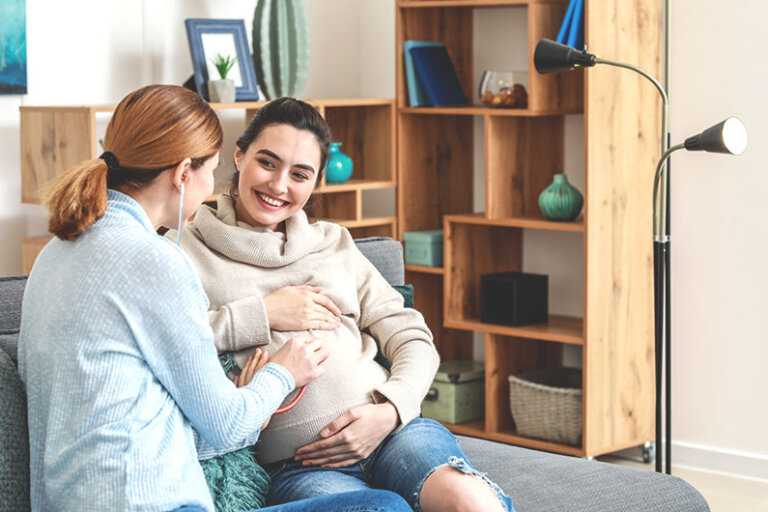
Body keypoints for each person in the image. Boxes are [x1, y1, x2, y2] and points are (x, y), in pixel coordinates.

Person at [17, 84, 413, 512]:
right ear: (183, 173)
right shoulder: (158, 260)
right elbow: (225, 427)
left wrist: (247, 404)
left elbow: (131, 422)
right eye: (212, 169)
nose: (212, 185)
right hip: (147, 503)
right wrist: (282, 373)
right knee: (382, 508)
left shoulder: (55, 252)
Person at [172, 97, 515, 512]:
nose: (279, 185)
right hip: (299, 464)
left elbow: (412, 337)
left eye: (300, 174)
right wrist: (262, 314)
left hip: (394, 434)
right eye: (267, 162)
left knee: (468, 501)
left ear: (315, 183)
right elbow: (170, 344)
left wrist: (390, 409)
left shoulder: (334, 243)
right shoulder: (186, 252)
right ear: (239, 155)